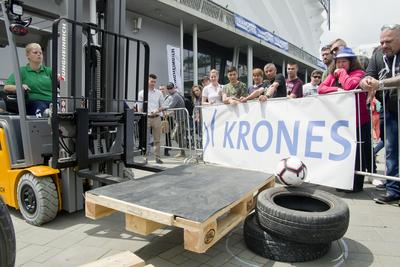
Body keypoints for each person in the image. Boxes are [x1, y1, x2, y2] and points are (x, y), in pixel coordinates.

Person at [318, 47, 370, 193]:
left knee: (357, 153)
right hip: (342, 120)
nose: (340, 65)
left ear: (351, 62)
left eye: (344, 62)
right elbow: (321, 89)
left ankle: (356, 184)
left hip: (359, 120)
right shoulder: (332, 76)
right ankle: (342, 181)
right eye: (338, 62)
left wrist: (341, 73)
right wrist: (336, 89)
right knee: (343, 152)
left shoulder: (359, 73)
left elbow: (350, 85)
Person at [360, 24, 400, 204]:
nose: (384, 45)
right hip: (390, 110)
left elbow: (382, 82)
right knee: (391, 151)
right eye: (381, 41)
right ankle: (393, 191)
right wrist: (366, 81)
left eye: (388, 41)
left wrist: (380, 84)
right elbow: (367, 76)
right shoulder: (377, 56)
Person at [4, 43, 52, 115]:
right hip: (34, 102)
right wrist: (20, 87)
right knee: (41, 109)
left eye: (40, 53)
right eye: (35, 52)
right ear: (27, 55)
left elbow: (62, 83)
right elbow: (6, 87)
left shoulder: (49, 71)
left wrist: (61, 81)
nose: (39, 54)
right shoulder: (22, 71)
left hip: (52, 101)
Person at [138, 74, 164, 164]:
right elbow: (139, 107)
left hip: (156, 118)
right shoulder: (141, 93)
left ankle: (157, 157)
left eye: (154, 82)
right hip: (146, 118)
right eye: (151, 81)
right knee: (146, 139)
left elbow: (163, 106)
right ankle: (145, 158)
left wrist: (157, 110)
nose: (153, 83)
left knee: (157, 139)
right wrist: (142, 117)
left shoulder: (159, 93)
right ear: (147, 81)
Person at [157, 82, 186, 157]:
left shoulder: (175, 96)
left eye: (171, 88)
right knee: (179, 136)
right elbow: (174, 108)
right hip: (179, 119)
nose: (170, 90)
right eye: (169, 88)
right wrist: (168, 113)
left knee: (174, 136)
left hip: (181, 119)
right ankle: (182, 151)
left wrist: (161, 108)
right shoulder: (173, 95)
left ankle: (184, 147)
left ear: (174, 88)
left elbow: (171, 106)